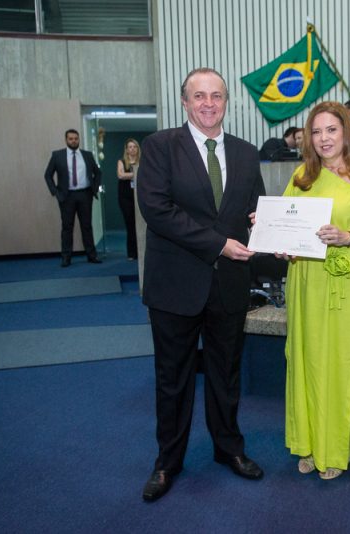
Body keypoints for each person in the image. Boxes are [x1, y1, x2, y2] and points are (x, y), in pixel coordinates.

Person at [136, 67, 266, 502]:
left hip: (229, 285)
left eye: (216, 96)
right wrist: (218, 244)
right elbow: (157, 210)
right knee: (172, 379)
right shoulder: (159, 148)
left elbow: (254, 212)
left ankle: (229, 449)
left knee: (226, 375)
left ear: (227, 101)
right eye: (199, 96)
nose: (208, 103)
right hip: (175, 285)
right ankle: (166, 463)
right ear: (184, 102)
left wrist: (266, 230)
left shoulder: (247, 154)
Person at [279, 101, 350, 480]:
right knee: (307, 361)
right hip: (305, 282)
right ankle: (309, 443)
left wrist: (348, 236)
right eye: (316, 131)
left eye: (331, 129)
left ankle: (336, 450)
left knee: (341, 365)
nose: (324, 138)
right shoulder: (300, 177)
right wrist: (276, 238)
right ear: (307, 138)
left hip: (348, 285)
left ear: (346, 132)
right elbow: (287, 230)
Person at [44, 129, 103, 267]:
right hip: (66, 196)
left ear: (78, 139)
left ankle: (92, 256)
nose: (73, 141)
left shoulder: (87, 155)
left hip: (84, 195)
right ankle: (66, 258)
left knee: (87, 226)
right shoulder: (57, 155)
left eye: (76, 138)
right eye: (70, 139)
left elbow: (98, 173)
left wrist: (93, 189)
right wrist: (55, 192)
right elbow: (48, 175)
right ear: (66, 140)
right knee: (67, 227)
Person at [116, 138, 140, 260]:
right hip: (125, 197)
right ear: (126, 149)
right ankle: (132, 253)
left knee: (140, 225)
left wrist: (130, 175)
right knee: (130, 224)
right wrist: (136, 173)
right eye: (130, 147)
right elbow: (120, 175)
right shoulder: (121, 161)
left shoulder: (142, 161)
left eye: (134, 146)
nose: (132, 149)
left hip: (139, 196)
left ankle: (140, 252)